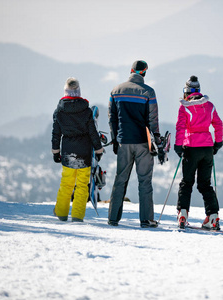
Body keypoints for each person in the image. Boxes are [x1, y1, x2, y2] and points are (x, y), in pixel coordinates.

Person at [107, 60, 165, 228]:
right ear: (144, 73)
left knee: (120, 179)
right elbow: (153, 120)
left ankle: (113, 218)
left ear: (131, 70)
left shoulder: (116, 90)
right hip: (143, 143)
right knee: (145, 181)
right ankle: (146, 219)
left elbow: (112, 118)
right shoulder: (148, 92)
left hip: (123, 141)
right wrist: (157, 141)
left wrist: (115, 139)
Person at [174, 76, 223, 230]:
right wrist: (218, 143)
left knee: (187, 182)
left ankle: (183, 214)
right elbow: (218, 124)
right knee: (205, 184)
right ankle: (213, 216)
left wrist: (178, 145)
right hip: (207, 147)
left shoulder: (185, 107)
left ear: (187, 91)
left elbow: (180, 127)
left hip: (191, 147)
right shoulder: (209, 106)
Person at [51, 77, 104, 222]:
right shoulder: (86, 111)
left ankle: (61, 213)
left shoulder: (59, 111)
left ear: (65, 92)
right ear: (78, 92)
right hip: (84, 153)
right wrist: (98, 150)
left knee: (66, 184)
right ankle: (77, 216)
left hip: (68, 152)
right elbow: (93, 133)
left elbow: (56, 134)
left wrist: (56, 152)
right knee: (82, 185)